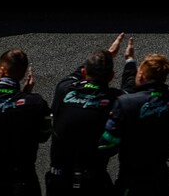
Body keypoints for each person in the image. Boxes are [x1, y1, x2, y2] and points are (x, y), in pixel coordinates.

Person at [46, 33, 136, 196]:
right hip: (94, 182)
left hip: (58, 181)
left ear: (84, 71)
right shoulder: (116, 99)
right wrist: (129, 61)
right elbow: (130, 91)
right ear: (111, 76)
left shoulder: (64, 89)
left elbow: (77, 73)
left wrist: (108, 54)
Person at [0, 48, 53, 195]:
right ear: (23, 74)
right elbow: (43, 135)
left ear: (2, 69)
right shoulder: (36, 103)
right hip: (24, 185)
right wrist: (25, 96)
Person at [98, 51, 169, 196]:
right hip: (161, 178)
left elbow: (107, 145)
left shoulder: (125, 103)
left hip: (132, 179)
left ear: (141, 75)